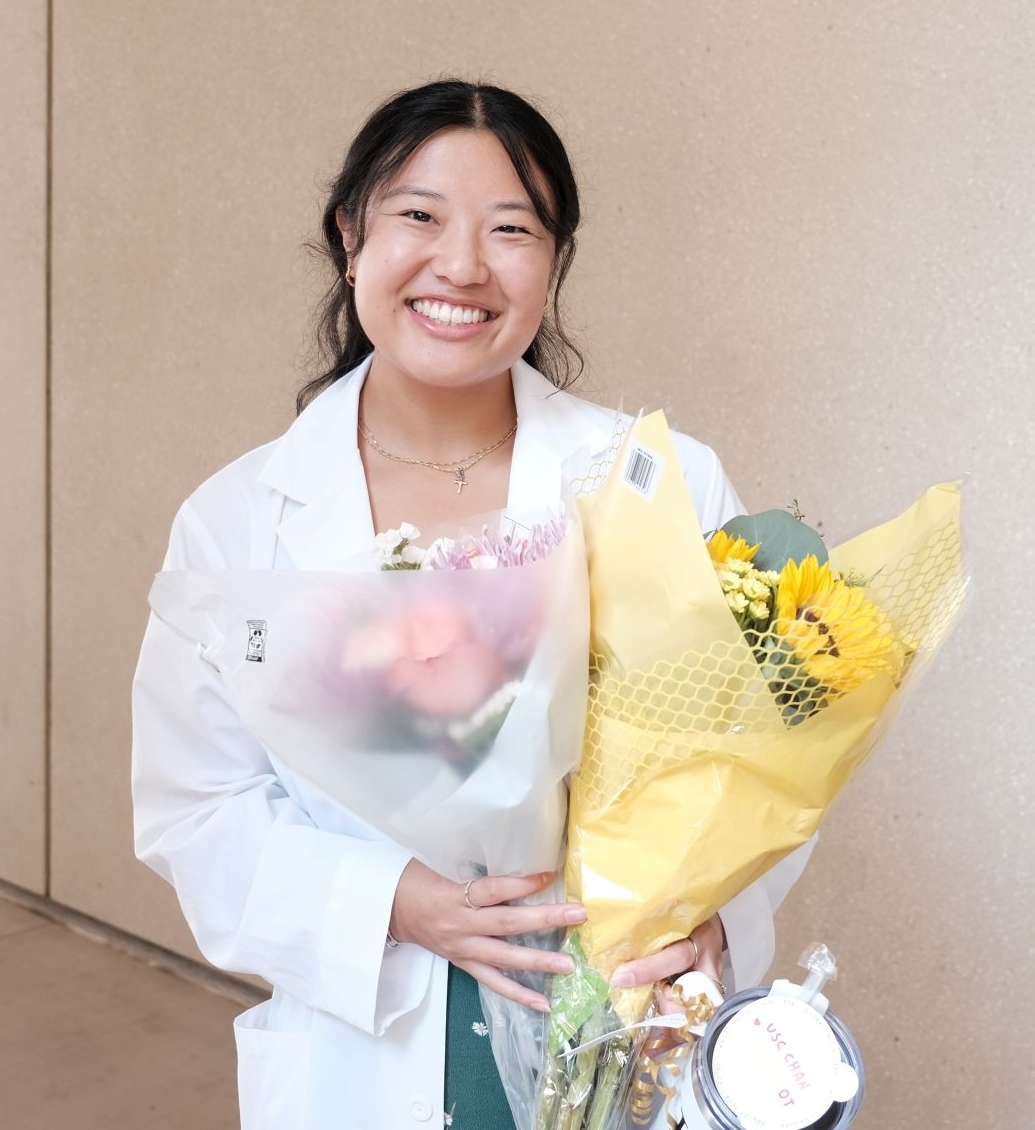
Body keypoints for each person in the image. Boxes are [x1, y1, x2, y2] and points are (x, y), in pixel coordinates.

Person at [132, 79, 813, 1130]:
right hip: (368, 1038)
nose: (460, 265)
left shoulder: (655, 480)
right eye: (419, 215)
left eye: (510, 229)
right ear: (349, 236)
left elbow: (753, 760)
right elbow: (196, 807)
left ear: (554, 261)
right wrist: (396, 902)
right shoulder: (237, 520)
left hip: (619, 1021)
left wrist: (708, 922)